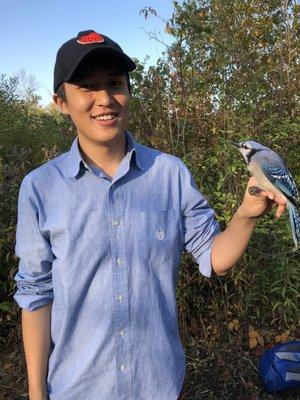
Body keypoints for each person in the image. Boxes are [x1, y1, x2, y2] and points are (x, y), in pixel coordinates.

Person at [13, 30, 287, 400]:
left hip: (157, 385)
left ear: (129, 90)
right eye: (87, 87)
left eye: (115, 83)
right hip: (75, 388)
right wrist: (36, 393)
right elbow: (36, 296)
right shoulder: (40, 188)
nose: (105, 99)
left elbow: (215, 257)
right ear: (61, 102)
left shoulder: (169, 174)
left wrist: (247, 213)